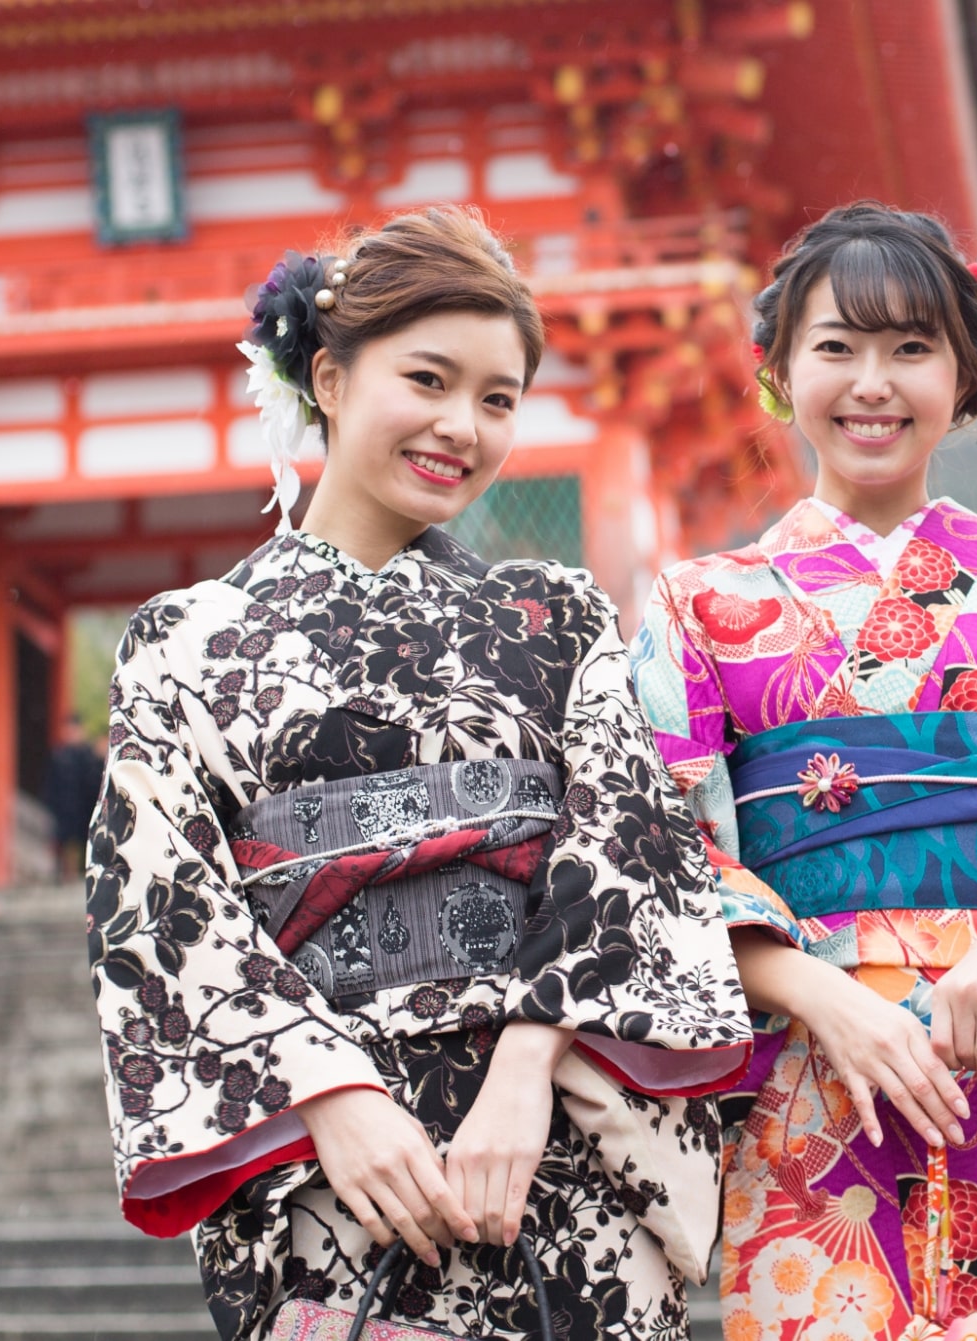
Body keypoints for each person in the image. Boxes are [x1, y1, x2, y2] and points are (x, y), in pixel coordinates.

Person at [87, 205, 751, 1341]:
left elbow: (633, 851)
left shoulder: (556, 619)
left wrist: (527, 1070)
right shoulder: (184, 639)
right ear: (329, 378)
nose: (464, 425)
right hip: (328, 1171)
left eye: (498, 399)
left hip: (553, 1148)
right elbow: (160, 905)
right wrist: (333, 1098)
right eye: (429, 379)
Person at [631, 202, 977, 1341]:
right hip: (807, 1066)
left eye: (911, 348)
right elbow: (652, 842)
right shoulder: (697, 605)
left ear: (965, 374)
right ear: (781, 372)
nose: (871, 382)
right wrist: (812, 989)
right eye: (836, 346)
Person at [43, 715, 104, 879]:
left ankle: (83, 873)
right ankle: (63, 875)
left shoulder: (89, 756)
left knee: (84, 843)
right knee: (63, 843)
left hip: (84, 809)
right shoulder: (59, 756)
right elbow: (51, 784)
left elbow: (94, 783)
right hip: (64, 808)